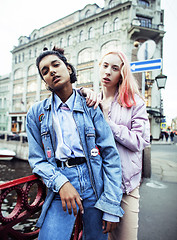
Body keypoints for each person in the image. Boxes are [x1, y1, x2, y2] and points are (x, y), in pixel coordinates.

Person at [26, 47, 124, 240]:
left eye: (56, 65)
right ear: (44, 81)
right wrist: (61, 183)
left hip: (94, 181)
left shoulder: (90, 106)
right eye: (45, 71)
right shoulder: (36, 113)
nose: (51, 71)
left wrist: (112, 205)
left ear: (68, 69)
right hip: (60, 181)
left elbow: (110, 156)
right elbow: (37, 160)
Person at [81, 50, 150, 240]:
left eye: (114, 68)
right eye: (104, 66)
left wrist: (107, 123)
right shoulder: (91, 101)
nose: (108, 72)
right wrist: (83, 91)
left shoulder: (135, 102)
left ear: (122, 73)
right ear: (99, 68)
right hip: (98, 186)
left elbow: (140, 141)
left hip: (126, 186)